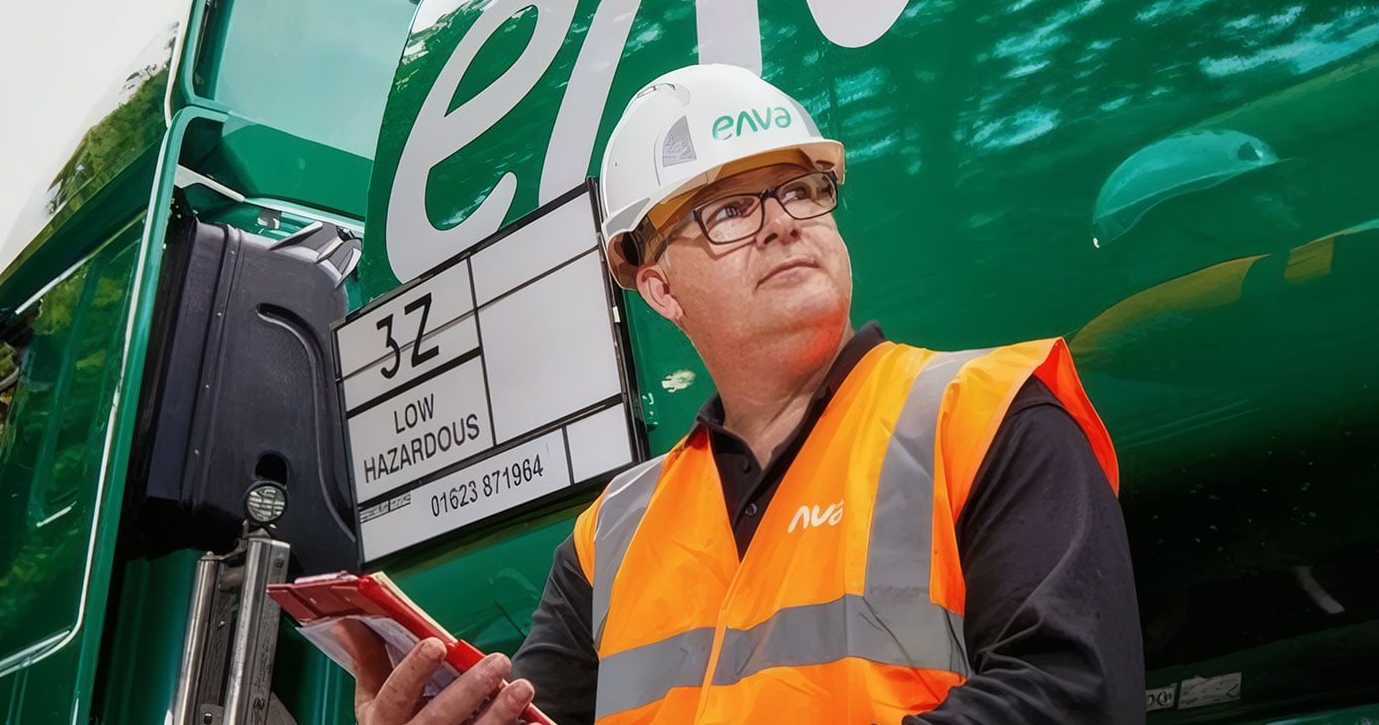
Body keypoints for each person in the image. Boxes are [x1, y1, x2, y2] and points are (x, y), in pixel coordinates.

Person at [341, 64, 1142, 724]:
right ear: (658, 286)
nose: (784, 223)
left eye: (800, 190)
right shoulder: (607, 541)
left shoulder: (988, 415)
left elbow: (1073, 701)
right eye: (730, 209)